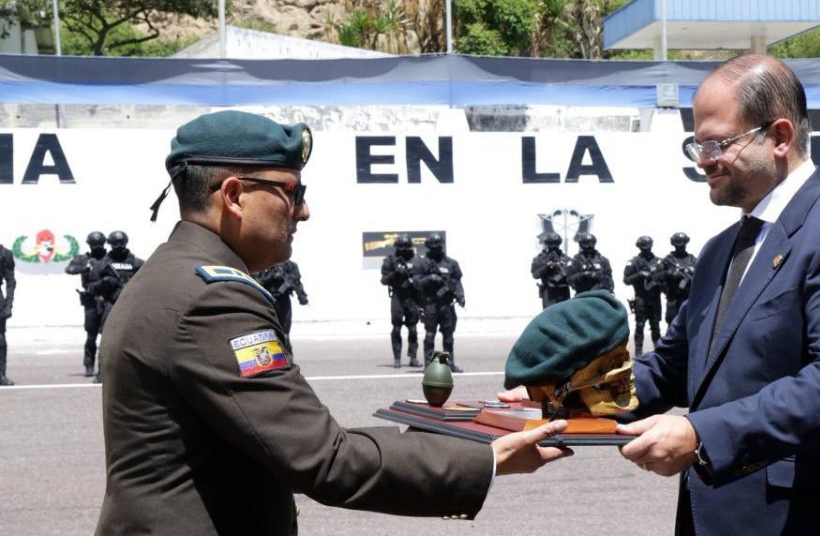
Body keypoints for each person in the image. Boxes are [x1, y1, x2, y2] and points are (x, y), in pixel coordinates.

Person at [97, 110, 570, 535]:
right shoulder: (213, 300)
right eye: (291, 192)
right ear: (235, 195)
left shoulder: (169, 275)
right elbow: (325, 459)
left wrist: (462, 428)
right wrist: (487, 456)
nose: (303, 210)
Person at [615, 54, 820, 535]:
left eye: (718, 143)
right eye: (697, 144)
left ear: (779, 137)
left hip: (812, 522)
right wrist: (566, 398)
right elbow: (674, 366)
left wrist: (699, 435)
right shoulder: (720, 250)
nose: (703, 160)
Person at [87, 230, 144, 383]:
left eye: (121, 244)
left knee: (137, 340)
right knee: (107, 340)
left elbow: (149, 284)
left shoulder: (137, 263)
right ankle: (102, 373)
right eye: (115, 244)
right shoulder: (102, 264)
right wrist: (104, 283)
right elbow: (90, 287)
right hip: (110, 305)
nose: (118, 247)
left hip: (132, 305)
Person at [414, 233, 466, 372]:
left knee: (448, 336)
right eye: (433, 245)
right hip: (430, 304)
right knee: (430, 335)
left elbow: (457, 282)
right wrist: (430, 278)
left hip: (447, 305)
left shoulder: (451, 263)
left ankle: (449, 363)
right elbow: (416, 283)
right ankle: (428, 364)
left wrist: (461, 297)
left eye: (438, 245)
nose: (436, 248)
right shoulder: (422, 263)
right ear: (429, 246)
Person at [65, 230, 107, 377]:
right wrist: (85, 268)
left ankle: (104, 367)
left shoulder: (109, 258)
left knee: (107, 336)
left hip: (107, 301)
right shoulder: (83, 259)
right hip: (90, 301)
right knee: (91, 336)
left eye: (99, 244)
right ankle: (88, 366)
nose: (97, 247)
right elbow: (69, 269)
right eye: (94, 245)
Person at [381, 234, 424, 368]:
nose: (404, 251)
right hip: (398, 297)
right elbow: (384, 280)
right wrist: (395, 274)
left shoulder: (417, 260)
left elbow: (423, 280)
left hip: (413, 298)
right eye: (401, 248)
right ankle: (397, 358)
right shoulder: (390, 260)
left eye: (406, 248)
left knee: (413, 329)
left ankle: (413, 357)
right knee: (396, 328)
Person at [623, 235, 663, 358]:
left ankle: (659, 352)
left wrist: (657, 281)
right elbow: (626, 280)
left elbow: (665, 279)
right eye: (643, 246)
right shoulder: (634, 262)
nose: (646, 248)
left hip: (655, 298)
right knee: (640, 326)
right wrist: (639, 274)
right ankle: (638, 353)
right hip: (641, 298)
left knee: (656, 327)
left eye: (648, 246)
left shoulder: (659, 261)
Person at [253, 259, 308, 337]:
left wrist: (302, 296)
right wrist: (270, 276)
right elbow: (254, 282)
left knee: (285, 331)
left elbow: (297, 282)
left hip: (283, 300)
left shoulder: (290, 265)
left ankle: (285, 345)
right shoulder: (262, 265)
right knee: (267, 329)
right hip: (266, 300)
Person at [657, 232, 696, 327]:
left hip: (689, 298)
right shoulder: (667, 260)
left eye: (683, 244)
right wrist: (670, 273)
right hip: (673, 299)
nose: (681, 246)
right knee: (672, 326)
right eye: (678, 244)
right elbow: (656, 278)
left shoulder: (692, 260)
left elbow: (702, 278)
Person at [530, 232, 571, 309]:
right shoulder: (540, 258)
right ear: (546, 244)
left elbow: (572, 273)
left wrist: (563, 270)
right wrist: (547, 267)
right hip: (549, 292)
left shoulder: (565, 258)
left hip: (564, 291)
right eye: (551, 244)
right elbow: (535, 275)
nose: (554, 246)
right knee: (550, 315)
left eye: (556, 244)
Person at [0, 241, 15, 386]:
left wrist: (9, 304)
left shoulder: (4, 253)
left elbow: (10, 281)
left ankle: (1, 374)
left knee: (0, 339)